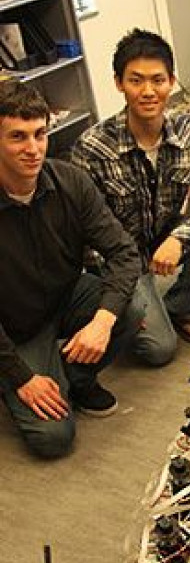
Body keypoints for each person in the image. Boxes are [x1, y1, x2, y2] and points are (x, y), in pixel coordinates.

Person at [0, 80, 141, 458]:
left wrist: (102, 321)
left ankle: (75, 377)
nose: (33, 149)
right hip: (13, 331)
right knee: (54, 439)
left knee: (131, 305)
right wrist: (22, 378)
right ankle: (22, 377)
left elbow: (125, 254)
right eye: (17, 137)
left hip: (66, 297)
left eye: (39, 134)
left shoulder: (70, 181)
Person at [73, 29, 190, 363]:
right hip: (119, 258)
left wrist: (178, 239)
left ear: (171, 81)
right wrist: (118, 292)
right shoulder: (92, 147)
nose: (148, 91)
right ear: (119, 83)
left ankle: (179, 305)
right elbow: (85, 236)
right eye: (136, 81)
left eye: (157, 80)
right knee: (159, 350)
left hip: (165, 238)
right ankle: (139, 312)